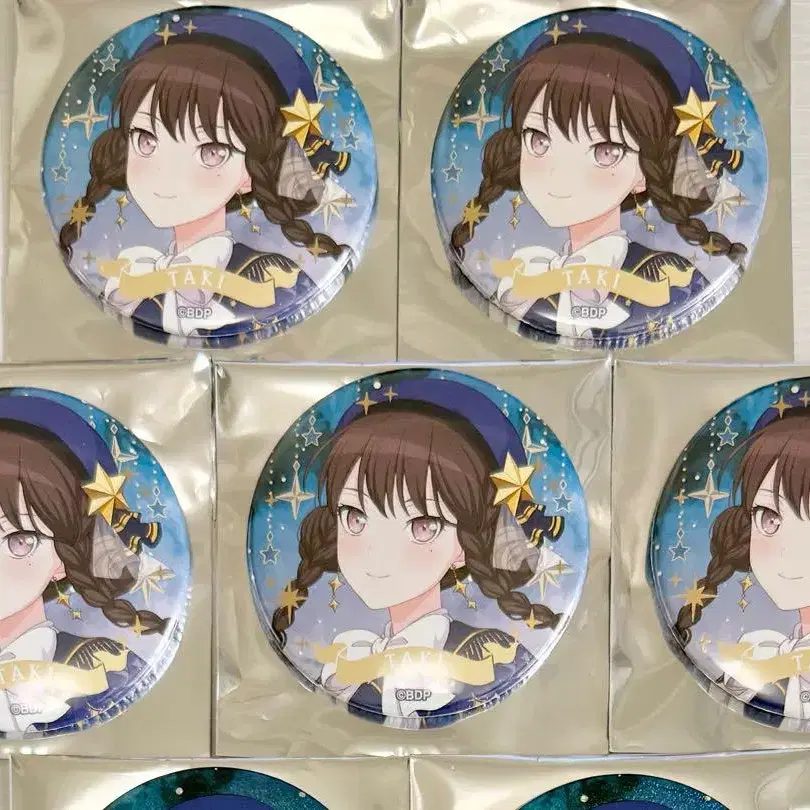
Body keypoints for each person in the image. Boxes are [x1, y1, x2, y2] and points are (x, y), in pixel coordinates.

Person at [271, 378, 570, 728]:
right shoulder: (344, 656)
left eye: (423, 525)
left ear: (466, 543)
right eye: (355, 517)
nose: (377, 552)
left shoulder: (488, 653)